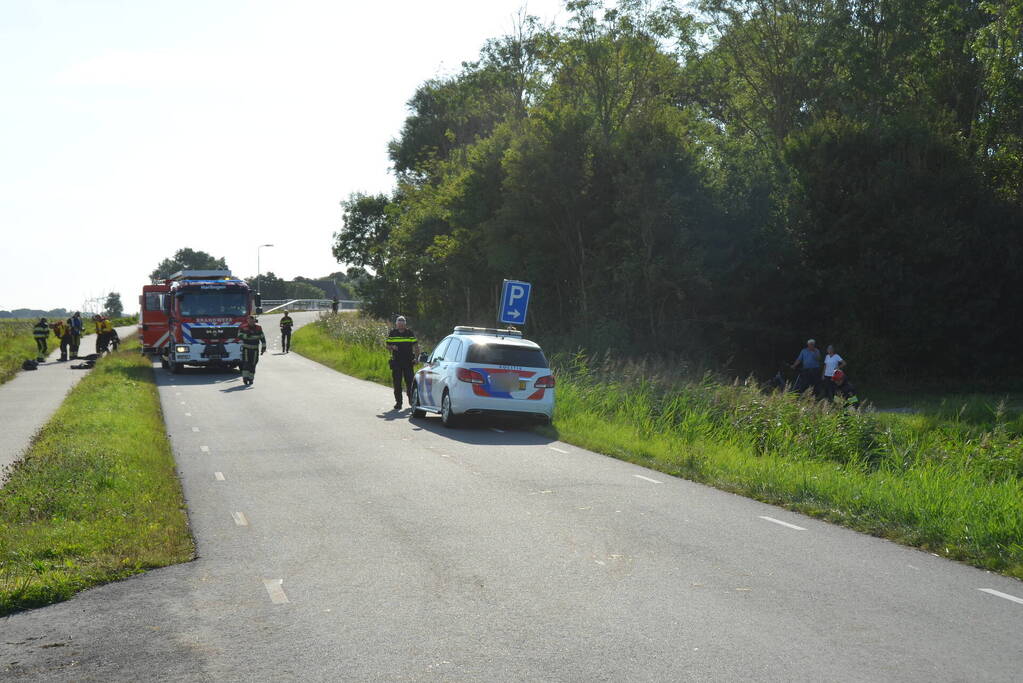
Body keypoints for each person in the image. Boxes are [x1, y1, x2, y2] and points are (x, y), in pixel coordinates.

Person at [385, 315, 420, 410]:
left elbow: (416, 346)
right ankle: (398, 403)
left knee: (410, 383)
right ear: (396, 324)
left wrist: (417, 358)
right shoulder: (393, 333)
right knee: (397, 383)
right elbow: (387, 346)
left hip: (408, 362)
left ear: (405, 324)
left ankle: (411, 401)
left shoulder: (409, 333)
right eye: (399, 324)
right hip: (396, 362)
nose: (400, 326)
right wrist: (392, 347)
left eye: (402, 324)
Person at [238, 315, 267, 386]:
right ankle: (245, 378)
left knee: (253, 364)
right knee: (246, 363)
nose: (251, 322)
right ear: (247, 321)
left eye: (252, 320)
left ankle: (251, 379)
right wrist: (246, 335)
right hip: (246, 349)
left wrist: (263, 348)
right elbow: (239, 336)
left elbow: (262, 338)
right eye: (249, 320)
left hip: (255, 350)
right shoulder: (243, 327)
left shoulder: (258, 328)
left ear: (254, 320)